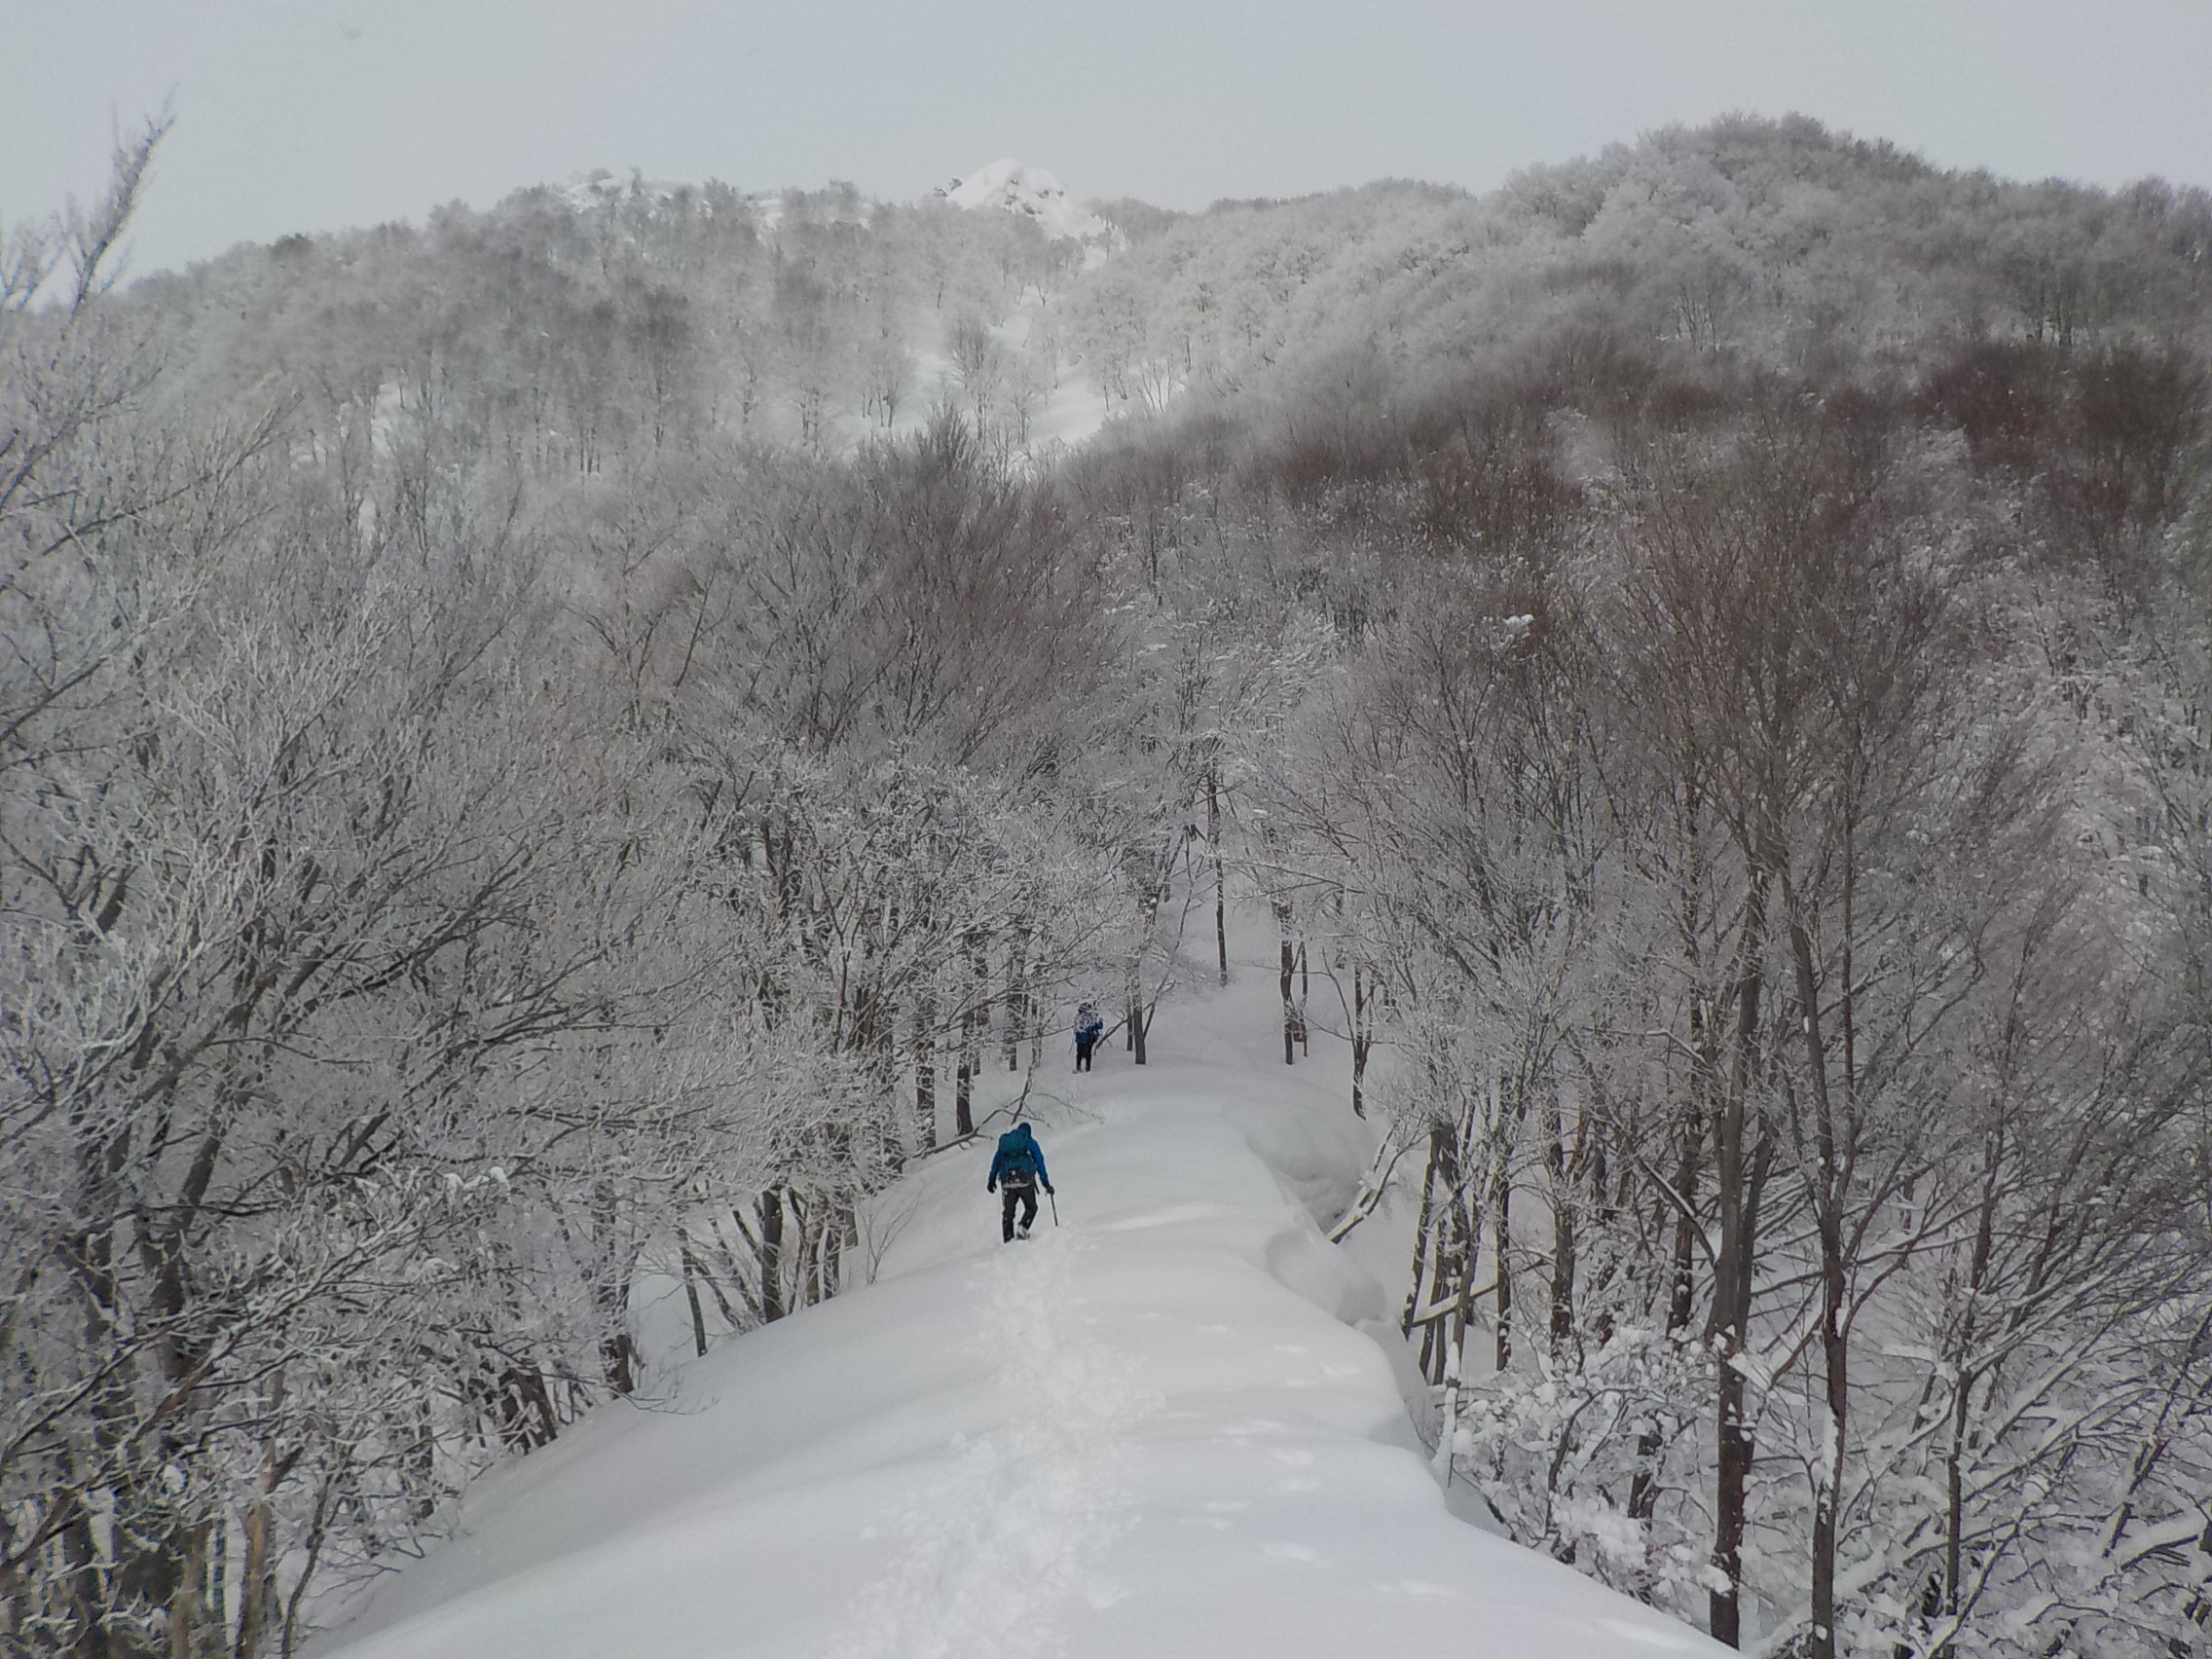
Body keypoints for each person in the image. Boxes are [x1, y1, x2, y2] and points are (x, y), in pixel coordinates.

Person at [986, 1121, 1053, 1241]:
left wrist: (991, 1179)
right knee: (1031, 1207)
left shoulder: (1006, 1143)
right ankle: (1022, 1227)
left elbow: (996, 1160)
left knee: (1008, 1213)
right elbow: (1039, 1161)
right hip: (1025, 1181)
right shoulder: (1030, 1142)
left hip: (1007, 1182)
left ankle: (1007, 1239)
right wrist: (1045, 1183)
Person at [1073, 1002, 1104, 1072]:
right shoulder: (1090, 1019)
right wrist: (1100, 1022)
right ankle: (1088, 1068)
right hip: (1087, 1039)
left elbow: (1075, 1027)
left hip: (1079, 1039)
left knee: (1079, 1053)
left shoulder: (1078, 1018)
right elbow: (1098, 1027)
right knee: (1088, 1054)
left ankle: (1078, 1067)